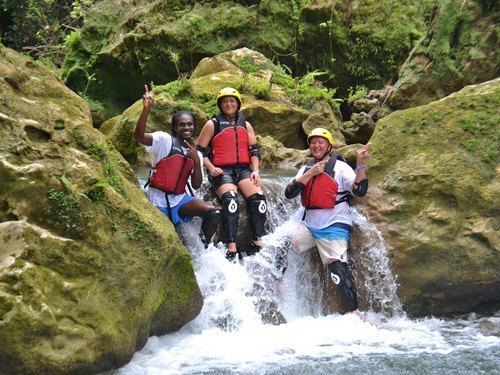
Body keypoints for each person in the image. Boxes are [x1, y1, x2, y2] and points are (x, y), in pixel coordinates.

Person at [284, 127, 371, 315]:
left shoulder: (340, 168)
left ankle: (354, 312)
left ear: (329, 146)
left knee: (337, 269)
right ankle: (277, 285)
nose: (316, 145)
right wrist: (310, 174)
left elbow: (359, 190)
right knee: (284, 246)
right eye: (313, 142)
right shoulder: (305, 168)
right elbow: (289, 193)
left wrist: (361, 165)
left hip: (334, 224)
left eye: (320, 142)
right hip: (309, 225)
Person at [133, 85, 220, 245]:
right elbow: (138, 136)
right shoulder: (164, 140)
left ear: (194, 127)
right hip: (157, 199)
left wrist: (196, 160)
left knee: (212, 212)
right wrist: (146, 110)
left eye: (190, 124)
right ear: (175, 127)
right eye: (182, 125)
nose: (186, 127)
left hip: (179, 200)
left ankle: (204, 248)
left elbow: (196, 184)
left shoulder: (198, 154)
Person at [196, 87, 267, 261]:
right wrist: (211, 167)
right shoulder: (212, 124)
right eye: (225, 101)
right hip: (222, 170)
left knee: (258, 200)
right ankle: (231, 247)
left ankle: (257, 242)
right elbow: (199, 152)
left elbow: (254, 151)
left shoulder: (246, 124)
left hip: (243, 170)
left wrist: (255, 171)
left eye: (232, 101)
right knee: (230, 200)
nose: (229, 104)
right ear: (220, 105)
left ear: (238, 104)